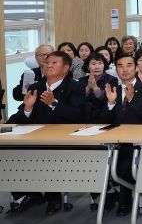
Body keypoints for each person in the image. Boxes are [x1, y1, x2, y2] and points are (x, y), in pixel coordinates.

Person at [7, 51, 86, 215]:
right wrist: (28, 108)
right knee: (12, 153)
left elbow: (79, 116)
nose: (49, 65)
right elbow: (21, 118)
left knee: (49, 153)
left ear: (66, 68)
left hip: (63, 139)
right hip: (35, 138)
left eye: (54, 63)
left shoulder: (75, 87)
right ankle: (28, 194)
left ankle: (53, 197)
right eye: (47, 62)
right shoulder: (35, 87)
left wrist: (54, 103)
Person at [94, 53, 142, 216]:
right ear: (116, 69)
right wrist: (110, 103)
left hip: (137, 142)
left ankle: (125, 199)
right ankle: (109, 194)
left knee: (123, 164)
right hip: (113, 141)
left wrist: (132, 99)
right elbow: (102, 120)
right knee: (92, 161)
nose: (124, 69)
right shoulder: (112, 88)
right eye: (120, 66)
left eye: (129, 65)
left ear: (136, 68)